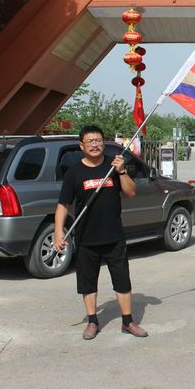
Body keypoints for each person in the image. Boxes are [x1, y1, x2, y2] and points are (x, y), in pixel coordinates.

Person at [54, 125, 149, 340]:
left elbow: (131, 192)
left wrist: (122, 171)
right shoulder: (74, 173)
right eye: (90, 141)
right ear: (82, 146)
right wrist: (59, 231)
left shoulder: (113, 166)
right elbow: (63, 204)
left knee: (122, 280)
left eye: (98, 140)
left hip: (114, 235)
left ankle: (128, 322)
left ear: (103, 143)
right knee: (88, 282)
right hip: (86, 237)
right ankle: (92, 321)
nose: (95, 145)